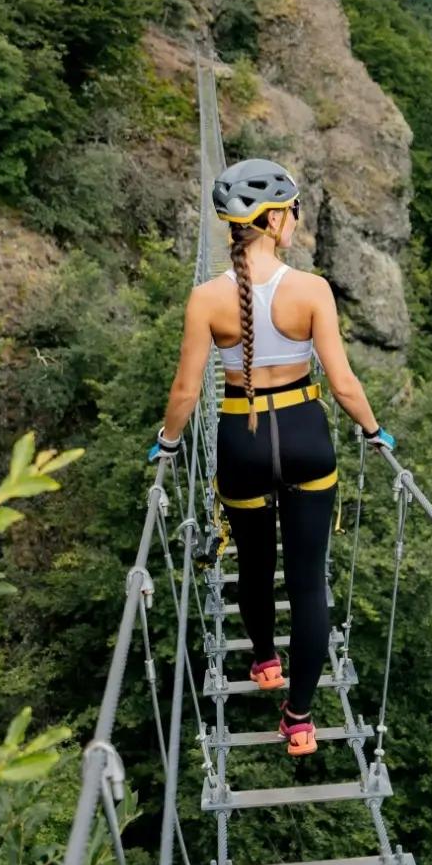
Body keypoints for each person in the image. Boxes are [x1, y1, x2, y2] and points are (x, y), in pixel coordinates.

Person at [149, 158, 394, 755]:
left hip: (242, 440)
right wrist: (374, 431)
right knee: (308, 582)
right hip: (307, 437)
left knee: (255, 567)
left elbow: (185, 392)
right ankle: (300, 719)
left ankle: (264, 661)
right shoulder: (312, 290)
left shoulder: (206, 298)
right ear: (275, 219)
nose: (297, 221)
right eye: (294, 212)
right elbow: (343, 384)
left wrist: (168, 443)